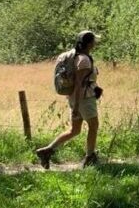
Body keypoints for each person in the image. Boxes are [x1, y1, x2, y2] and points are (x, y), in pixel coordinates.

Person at [36, 31, 102, 168]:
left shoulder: (77, 56)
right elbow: (79, 83)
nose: (95, 43)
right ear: (89, 43)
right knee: (93, 126)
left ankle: (47, 151)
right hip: (84, 98)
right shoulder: (83, 60)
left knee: (74, 130)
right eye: (94, 41)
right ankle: (90, 157)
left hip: (75, 97)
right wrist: (77, 107)